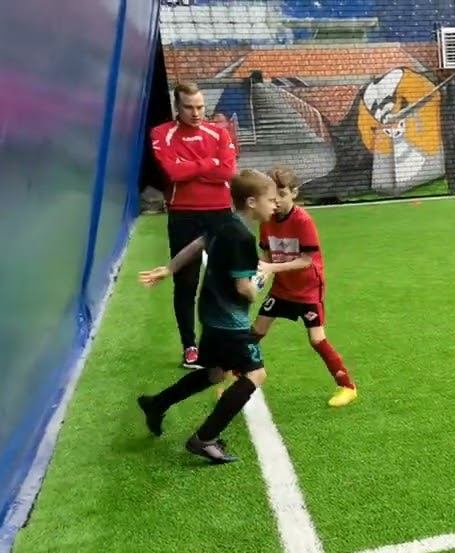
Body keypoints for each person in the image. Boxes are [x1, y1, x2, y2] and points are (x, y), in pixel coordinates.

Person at [135, 170, 277, 465]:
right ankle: (205, 438)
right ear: (252, 202)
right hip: (230, 323)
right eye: (271, 200)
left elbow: (198, 244)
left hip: (210, 314)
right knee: (255, 374)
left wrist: (170, 268)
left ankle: (156, 403)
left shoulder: (223, 222)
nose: (275, 205)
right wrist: (258, 284)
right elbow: (244, 289)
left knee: (216, 372)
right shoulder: (242, 237)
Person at [149, 81, 238, 368]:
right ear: (177, 106)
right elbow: (172, 172)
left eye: (200, 106)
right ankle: (190, 346)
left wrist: (191, 166)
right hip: (183, 215)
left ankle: (227, 340)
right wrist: (209, 162)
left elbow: (228, 171)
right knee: (186, 282)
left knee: (227, 280)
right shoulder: (161, 133)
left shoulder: (219, 132)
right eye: (189, 107)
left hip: (220, 213)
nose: (196, 113)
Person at [255, 167, 358, 408]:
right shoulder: (267, 220)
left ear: (294, 193)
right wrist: (259, 278)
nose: (277, 201)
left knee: (316, 339)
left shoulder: (303, 221)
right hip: (281, 288)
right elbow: (267, 255)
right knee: (255, 332)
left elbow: (306, 260)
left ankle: (347, 386)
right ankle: (239, 377)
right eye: (272, 196)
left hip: (307, 290)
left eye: (282, 194)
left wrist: (271, 268)